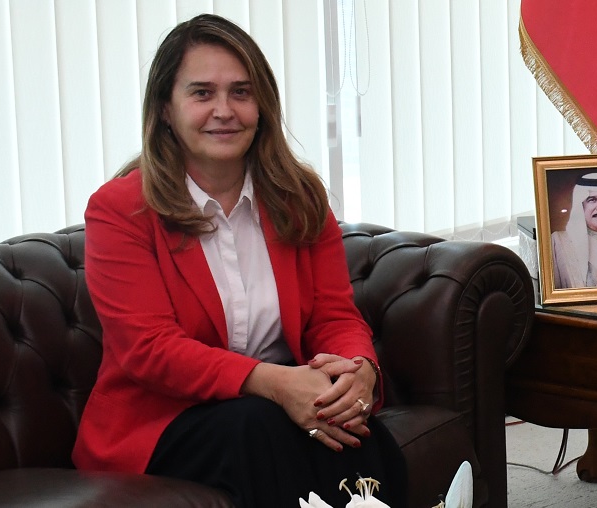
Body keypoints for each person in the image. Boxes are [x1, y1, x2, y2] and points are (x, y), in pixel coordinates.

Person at [74, 14, 407, 507]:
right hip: (161, 422)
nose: (224, 110)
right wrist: (274, 383)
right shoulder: (121, 209)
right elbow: (150, 349)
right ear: (165, 108)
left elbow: (333, 314)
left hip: (271, 410)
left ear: (261, 106)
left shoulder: (298, 198)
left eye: (241, 93)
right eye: (202, 93)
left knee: (353, 423)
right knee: (261, 423)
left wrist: (359, 370)